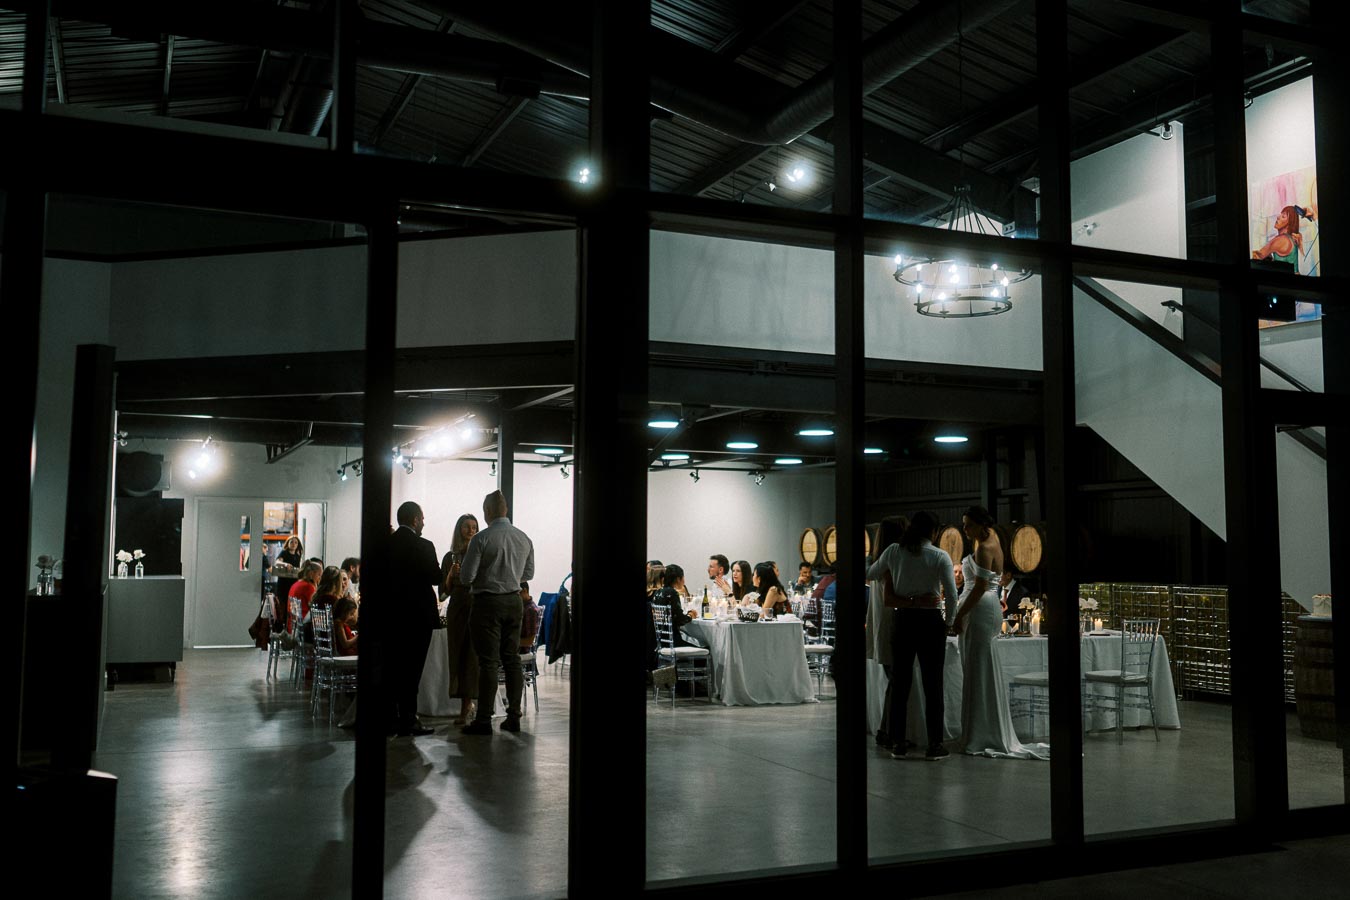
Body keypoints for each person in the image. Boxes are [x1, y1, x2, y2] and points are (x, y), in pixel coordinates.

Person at [953, 506, 1047, 759]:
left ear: (980, 525)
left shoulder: (984, 547)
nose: (964, 529)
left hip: (980, 608)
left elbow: (979, 587)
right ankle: (981, 729)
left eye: (968, 524)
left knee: (978, 669)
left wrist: (959, 615)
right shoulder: (992, 536)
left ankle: (982, 733)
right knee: (979, 668)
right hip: (987, 605)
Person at [868, 511, 957, 761]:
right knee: (933, 684)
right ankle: (935, 745)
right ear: (934, 532)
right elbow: (951, 595)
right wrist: (948, 623)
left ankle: (898, 743)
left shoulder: (894, 551)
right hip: (930, 621)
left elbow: (872, 573)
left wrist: (895, 580)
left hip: (903, 619)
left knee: (900, 684)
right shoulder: (940, 555)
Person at [460, 490, 535, 735]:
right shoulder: (523, 538)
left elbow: (466, 577)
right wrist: (508, 576)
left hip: (487, 603)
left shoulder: (481, 539)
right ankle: (513, 715)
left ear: (488, 511)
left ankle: (483, 719)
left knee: (488, 662)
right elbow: (528, 574)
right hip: (513, 602)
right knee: (511, 659)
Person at [385, 501, 441, 737]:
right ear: (416, 520)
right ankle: (409, 719)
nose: (424, 523)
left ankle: (390, 717)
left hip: (392, 615)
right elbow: (436, 578)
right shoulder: (424, 546)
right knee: (412, 670)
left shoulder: (385, 545)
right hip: (419, 616)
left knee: (394, 667)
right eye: (423, 518)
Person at [864, 515, 907, 749]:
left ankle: (886, 728)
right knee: (896, 679)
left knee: (894, 679)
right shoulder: (891, 559)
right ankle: (887, 730)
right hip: (892, 622)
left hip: (883, 622)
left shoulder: (880, 559)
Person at [440, 513, 481, 726]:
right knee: (457, 655)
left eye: (474, 526)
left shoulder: (481, 554)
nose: (471, 530)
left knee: (472, 656)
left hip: (475, 607)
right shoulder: (450, 557)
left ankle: (469, 705)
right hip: (456, 609)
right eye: (467, 527)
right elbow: (443, 593)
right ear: (459, 529)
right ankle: (462, 703)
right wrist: (450, 575)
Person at [1252, 204, 1308, 270]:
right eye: (1280, 214)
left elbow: (1258, 256)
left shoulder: (1281, 240)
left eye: (1283, 216)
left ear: (1289, 223)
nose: (1278, 217)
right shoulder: (1289, 238)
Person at [652, 564, 695, 646]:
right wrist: (690, 615)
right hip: (674, 640)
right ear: (678, 579)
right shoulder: (672, 593)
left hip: (662, 639)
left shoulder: (658, 592)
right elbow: (680, 620)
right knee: (707, 647)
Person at [271, 536, 304, 620]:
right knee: (283, 605)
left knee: (292, 605)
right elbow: (277, 562)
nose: (293, 544)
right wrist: (285, 564)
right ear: (288, 543)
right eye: (291, 542)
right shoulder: (284, 552)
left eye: (296, 542)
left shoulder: (298, 556)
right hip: (283, 583)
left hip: (293, 583)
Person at [286, 560, 322, 633]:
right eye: (319, 575)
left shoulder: (295, 584)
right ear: (311, 574)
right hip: (303, 629)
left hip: (292, 627)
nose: (320, 578)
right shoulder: (308, 587)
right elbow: (316, 607)